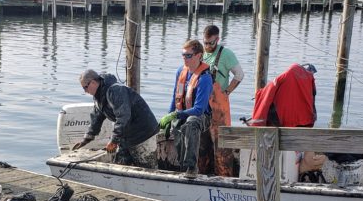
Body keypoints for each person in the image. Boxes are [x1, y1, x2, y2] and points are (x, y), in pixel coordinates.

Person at [72, 69, 159, 168]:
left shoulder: (115, 90)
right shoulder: (98, 96)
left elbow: (123, 117)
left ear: (93, 82)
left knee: (147, 167)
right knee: (120, 165)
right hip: (126, 134)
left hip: (144, 132)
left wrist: (113, 140)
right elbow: (96, 118)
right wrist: (87, 139)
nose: (85, 91)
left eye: (85, 87)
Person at [159, 39, 212, 179]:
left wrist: (176, 114)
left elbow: (199, 109)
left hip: (202, 117)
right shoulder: (180, 72)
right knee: (177, 130)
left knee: (191, 122)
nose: (185, 58)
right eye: (183, 55)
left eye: (188, 55)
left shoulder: (205, 78)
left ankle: (191, 168)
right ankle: (182, 167)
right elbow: (175, 97)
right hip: (182, 113)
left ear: (199, 55)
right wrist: (169, 116)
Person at [200, 25, 244, 177]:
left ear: (217, 40)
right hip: (203, 106)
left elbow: (239, 74)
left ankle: (224, 179)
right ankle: (202, 176)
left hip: (219, 107)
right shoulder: (201, 54)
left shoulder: (226, 54)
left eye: (211, 43)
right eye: (205, 43)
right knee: (202, 145)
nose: (207, 46)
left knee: (222, 148)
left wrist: (226, 92)